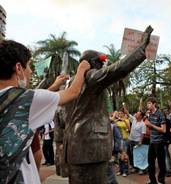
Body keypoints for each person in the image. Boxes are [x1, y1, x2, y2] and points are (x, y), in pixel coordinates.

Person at [62, 26, 153, 184]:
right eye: (101, 62)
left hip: (76, 148)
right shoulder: (90, 77)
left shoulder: (71, 85)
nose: (104, 66)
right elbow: (118, 70)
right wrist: (141, 48)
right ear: (92, 64)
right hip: (91, 148)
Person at [0, 40, 90, 184]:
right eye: (28, 65)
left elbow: (30, 106)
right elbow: (73, 93)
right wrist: (82, 69)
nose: (30, 71)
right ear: (18, 68)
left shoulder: (21, 101)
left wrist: (54, 85)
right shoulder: (26, 99)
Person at [144, 97, 166, 184]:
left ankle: (161, 180)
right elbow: (149, 128)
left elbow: (163, 130)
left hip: (159, 142)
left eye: (149, 103)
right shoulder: (149, 115)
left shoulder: (160, 114)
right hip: (152, 141)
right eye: (147, 104)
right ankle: (153, 181)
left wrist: (151, 125)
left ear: (154, 104)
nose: (148, 105)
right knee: (150, 162)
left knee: (161, 163)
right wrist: (147, 124)